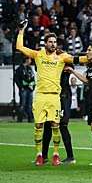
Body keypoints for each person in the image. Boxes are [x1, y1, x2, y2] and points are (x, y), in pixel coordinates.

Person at [16, 21, 87, 166]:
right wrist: (21, 31)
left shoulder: (62, 57)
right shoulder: (38, 55)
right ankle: (39, 155)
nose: (53, 44)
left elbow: (78, 59)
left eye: (55, 42)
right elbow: (19, 47)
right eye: (50, 42)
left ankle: (55, 154)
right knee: (39, 126)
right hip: (41, 95)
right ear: (45, 43)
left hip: (55, 97)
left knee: (56, 125)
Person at [15, 57, 35, 123]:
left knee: (30, 104)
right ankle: (20, 119)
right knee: (22, 104)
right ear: (26, 60)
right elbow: (17, 79)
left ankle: (30, 118)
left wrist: (33, 86)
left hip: (30, 89)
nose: (30, 61)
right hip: (23, 89)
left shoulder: (30, 68)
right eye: (29, 59)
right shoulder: (19, 69)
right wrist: (21, 87)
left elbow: (33, 78)